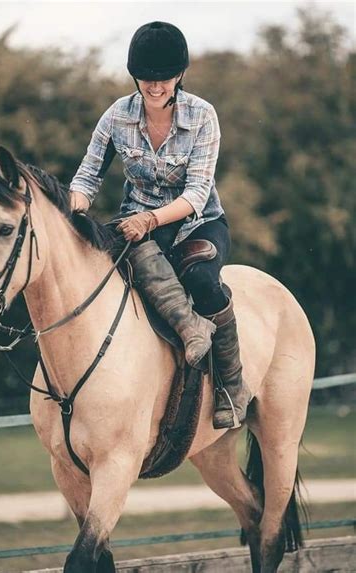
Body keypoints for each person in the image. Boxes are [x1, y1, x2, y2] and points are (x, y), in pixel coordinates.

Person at [69, 21, 250, 429]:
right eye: (147, 79)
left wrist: (149, 219)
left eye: (164, 79)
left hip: (197, 223)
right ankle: (185, 331)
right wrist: (74, 205)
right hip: (137, 227)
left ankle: (232, 386)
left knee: (203, 280)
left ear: (180, 75)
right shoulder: (116, 115)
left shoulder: (203, 116)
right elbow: (88, 176)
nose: (154, 88)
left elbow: (197, 194)